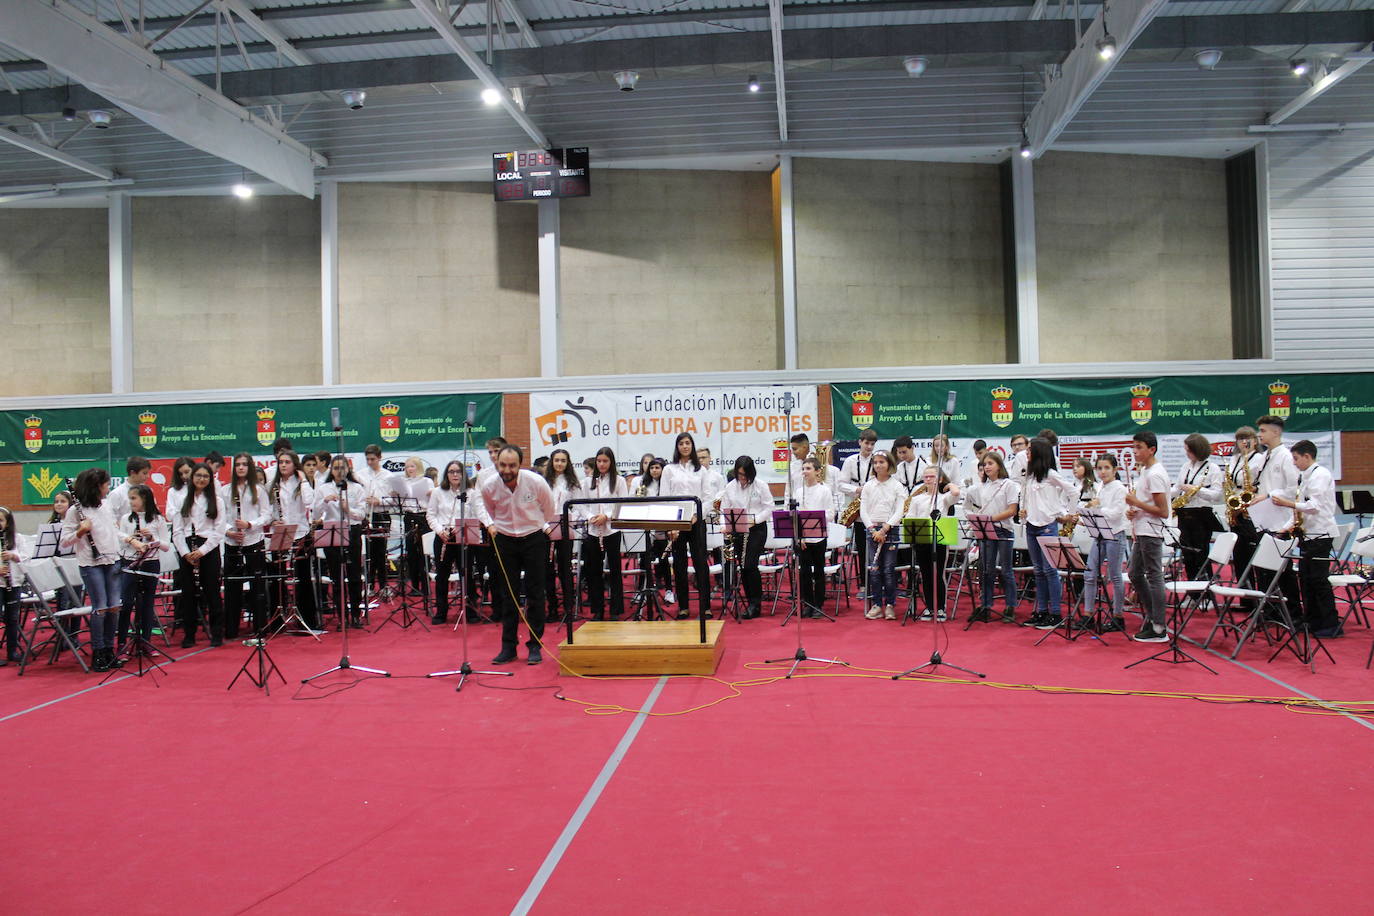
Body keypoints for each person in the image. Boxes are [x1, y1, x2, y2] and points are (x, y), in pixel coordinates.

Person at [481, 445, 556, 665]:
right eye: (502, 465)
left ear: (520, 465)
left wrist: (535, 525)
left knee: (535, 594)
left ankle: (535, 645)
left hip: (533, 538)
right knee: (508, 595)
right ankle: (508, 647)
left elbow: (549, 509)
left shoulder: (536, 482)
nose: (507, 469)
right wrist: (498, 528)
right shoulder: (489, 486)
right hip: (504, 539)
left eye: (512, 465)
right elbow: (490, 510)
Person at [1271, 440, 1341, 637]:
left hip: (1321, 534)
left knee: (1319, 580)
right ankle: (1312, 620)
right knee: (1306, 580)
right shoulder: (1305, 476)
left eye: (1296, 459)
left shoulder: (1320, 475)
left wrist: (1287, 503)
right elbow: (1301, 510)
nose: (1294, 463)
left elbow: (1314, 506)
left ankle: (1330, 623)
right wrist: (1284, 529)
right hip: (1307, 534)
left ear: (1307, 456)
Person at [61, 468, 123, 671]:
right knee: (101, 608)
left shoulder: (105, 505)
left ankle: (109, 650)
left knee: (114, 606)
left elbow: (114, 531)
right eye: (105, 485)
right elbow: (64, 542)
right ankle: (98, 652)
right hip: (91, 563)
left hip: (111, 559)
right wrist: (80, 531)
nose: (107, 488)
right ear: (96, 486)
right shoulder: (74, 511)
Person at [1248, 414, 1303, 616]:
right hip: (1264, 518)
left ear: (1276, 432)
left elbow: (1292, 488)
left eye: (1263, 431)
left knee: (1283, 571)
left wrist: (1269, 494)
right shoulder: (1264, 456)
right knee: (1264, 569)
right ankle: (1270, 610)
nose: (1259, 434)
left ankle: (1293, 612)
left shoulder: (1286, 457)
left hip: (1280, 519)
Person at [1019, 437, 1077, 630]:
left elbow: (1073, 492)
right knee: (1038, 571)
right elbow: (1028, 498)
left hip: (1047, 525)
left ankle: (1055, 613)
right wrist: (1024, 510)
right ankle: (1041, 610)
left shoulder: (1051, 474)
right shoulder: (1030, 475)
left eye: (1029, 450)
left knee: (1050, 570)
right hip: (1031, 525)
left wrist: (1069, 512)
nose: (1026, 453)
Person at [427, 460, 489, 625]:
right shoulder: (437, 492)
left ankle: (470, 611)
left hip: (464, 537)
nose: (455, 474)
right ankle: (441, 612)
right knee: (442, 576)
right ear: (446, 474)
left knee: (467, 575)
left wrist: (489, 525)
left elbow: (479, 513)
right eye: (451, 471)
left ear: (463, 474)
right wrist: (440, 531)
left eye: (458, 471)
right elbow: (431, 515)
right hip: (444, 538)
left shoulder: (471, 492)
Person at [172, 463, 227, 648]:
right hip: (188, 549)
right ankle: (189, 635)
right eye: (198, 475)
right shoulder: (182, 500)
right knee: (188, 594)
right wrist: (185, 553)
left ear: (210, 480)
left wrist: (202, 551)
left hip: (208, 549)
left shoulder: (217, 501)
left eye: (206, 476)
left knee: (212, 592)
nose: (202, 479)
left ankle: (217, 634)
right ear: (192, 477)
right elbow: (177, 531)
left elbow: (218, 531)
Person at [1125, 431, 1171, 642]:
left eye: (1139, 447)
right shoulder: (1145, 471)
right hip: (1143, 528)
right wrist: (1134, 510)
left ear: (1151, 449)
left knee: (1154, 576)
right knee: (1135, 573)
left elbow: (1163, 511)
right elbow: (1147, 505)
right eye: (1134, 447)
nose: (1135, 451)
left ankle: (1159, 626)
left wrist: (1137, 504)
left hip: (1153, 530)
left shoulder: (1155, 474)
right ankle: (1153, 617)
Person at [268, 450, 320, 631]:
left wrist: (303, 479)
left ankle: (306, 620)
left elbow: (310, 502)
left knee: (303, 576)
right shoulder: (274, 484)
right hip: (281, 531)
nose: (283, 465)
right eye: (281, 462)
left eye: (287, 462)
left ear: (294, 464)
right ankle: (277, 620)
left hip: (301, 531)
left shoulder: (302, 483)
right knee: (277, 575)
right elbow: (270, 510)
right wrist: (274, 520)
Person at [662, 432, 712, 619]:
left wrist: (696, 515)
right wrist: (671, 525)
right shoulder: (669, 469)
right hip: (676, 522)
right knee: (680, 564)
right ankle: (683, 606)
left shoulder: (701, 470)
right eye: (681, 443)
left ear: (692, 446)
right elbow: (665, 498)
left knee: (701, 564)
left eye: (688, 443)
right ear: (677, 447)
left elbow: (707, 498)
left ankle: (705, 606)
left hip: (696, 521)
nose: (685, 446)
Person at [718, 455, 774, 619]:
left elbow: (769, 507)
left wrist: (755, 519)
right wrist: (724, 525)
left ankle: (755, 604)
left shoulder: (760, 485)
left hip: (757, 529)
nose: (742, 478)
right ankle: (750, 601)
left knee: (750, 564)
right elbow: (724, 509)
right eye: (739, 474)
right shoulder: (730, 487)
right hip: (738, 528)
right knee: (742, 566)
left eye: (744, 475)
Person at [313, 455, 366, 625]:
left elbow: (362, 514)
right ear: (331, 470)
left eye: (342, 468)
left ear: (348, 469)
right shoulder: (323, 488)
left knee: (354, 575)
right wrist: (324, 501)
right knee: (337, 577)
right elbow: (315, 514)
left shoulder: (357, 488)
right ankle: (342, 616)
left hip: (352, 531)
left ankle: (356, 614)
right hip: (333, 532)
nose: (339, 471)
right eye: (335, 468)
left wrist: (347, 509)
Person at [115, 484, 169, 653]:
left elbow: (166, 545)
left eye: (134, 498)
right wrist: (130, 539)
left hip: (151, 563)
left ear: (144, 498)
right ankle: (122, 644)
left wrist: (152, 538)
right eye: (129, 498)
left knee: (146, 604)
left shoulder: (158, 519)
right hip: (130, 562)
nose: (131, 501)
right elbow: (118, 539)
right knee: (127, 603)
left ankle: (145, 642)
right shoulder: (126, 519)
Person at [223, 452, 271, 639]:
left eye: (244, 464)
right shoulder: (226, 490)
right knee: (232, 587)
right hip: (232, 541)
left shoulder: (258, 489)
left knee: (257, 586)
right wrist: (229, 530)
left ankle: (260, 627)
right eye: (238, 465)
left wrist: (250, 525)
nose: (241, 467)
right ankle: (231, 629)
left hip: (253, 540)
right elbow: (220, 517)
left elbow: (266, 515)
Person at [966, 451, 1018, 624]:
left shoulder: (1009, 484)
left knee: (1006, 570)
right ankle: (986, 605)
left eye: (990, 463)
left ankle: (1011, 606)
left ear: (999, 465)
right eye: (984, 465)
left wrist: (991, 519)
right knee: (986, 570)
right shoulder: (983, 486)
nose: (986, 467)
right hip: (987, 530)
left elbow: (1012, 510)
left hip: (1004, 530)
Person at [1078, 454, 1128, 633]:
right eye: (1099, 468)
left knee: (1115, 575)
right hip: (1100, 535)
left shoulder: (1120, 488)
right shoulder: (1100, 487)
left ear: (1115, 470)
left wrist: (1098, 508)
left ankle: (1118, 616)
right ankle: (1088, 614)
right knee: (1090, 573)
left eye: (1107, 468)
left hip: (1115, 534)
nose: (1103, 471)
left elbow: (1115, 513)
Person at [905, 466, 960, 621]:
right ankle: (930, 607)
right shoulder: (917, 499)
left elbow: (956, 493)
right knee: (926, 574)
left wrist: (947, 486)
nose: (928, 479)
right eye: (926, 477)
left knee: (938, 574)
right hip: (922, 539)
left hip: (939, 540)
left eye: (932, 476)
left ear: (940, 479)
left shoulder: (944, 498)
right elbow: (910, 518)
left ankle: (941, 608)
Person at [582, 447, 628, 621]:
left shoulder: (619, 481)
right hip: (593, 531)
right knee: (594, 571)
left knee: (615, 570)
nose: (601, 464)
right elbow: (581, 505)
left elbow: (623, 504)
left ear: (611, 462)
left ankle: (616, 610)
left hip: (612, 530)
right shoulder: (587, 482)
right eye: (599, 461)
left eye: (605, 461)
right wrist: (590, 517)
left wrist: (606, 516)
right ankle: (598, 609)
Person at [1172, 434, 1222, 583]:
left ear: (1198, 449)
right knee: (1188, 555)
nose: (1187, 454)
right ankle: (1192, 592)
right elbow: (1177, 487)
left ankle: (1204, 591)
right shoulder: (1185, 467)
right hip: (1185, 513)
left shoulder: (1212, 468)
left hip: (1202, 515)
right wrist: (1166, 495)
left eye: (1189, 450)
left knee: (1201, 554)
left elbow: (1217, 495)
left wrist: (1195, 490)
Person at [860, 450, 904, 620]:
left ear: (889, 465)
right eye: (875, 462)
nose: (878, 465)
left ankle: (890, 604)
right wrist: (872, 529)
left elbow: (899, 510)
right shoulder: (869, 486)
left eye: (882, 462)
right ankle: (877, 604)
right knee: (874, 570)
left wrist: (885, 528)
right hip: (871, 530)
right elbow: (863, 510)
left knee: (888, 570)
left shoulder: (896, 486)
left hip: (890, 530)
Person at [542, 448, 582, 624]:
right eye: (557, 460)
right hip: (545, 530)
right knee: (547, 572)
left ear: (568, 463)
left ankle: (568, 608)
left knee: (565, 570)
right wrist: (544, 526)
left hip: (565, 529)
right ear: (552, 462)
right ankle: (552, 609)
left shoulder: (572, 482)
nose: (559, 463)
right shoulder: (543, 481)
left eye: (563, 460)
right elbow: (537, 506)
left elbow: (579, 506)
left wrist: (574, 520)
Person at [838, 428, 878, 597]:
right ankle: (864, 584)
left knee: (876, 549)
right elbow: (840, 484)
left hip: (875, 508)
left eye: (872, 444)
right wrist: (857, 489)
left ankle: (878, 583)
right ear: (860, 442)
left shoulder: (878, 460)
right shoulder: (850, 461)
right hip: (859, 508)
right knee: (862, 548)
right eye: (867, 443)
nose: (869, 447)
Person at [796, 457, 836, 618]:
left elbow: (831, 514)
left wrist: (814, 516)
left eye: (808, 468)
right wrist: (800, 536)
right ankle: (808, 603)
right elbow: (794, 516)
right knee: (804, 571)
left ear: (817, 471)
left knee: (819, 571)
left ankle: (818, 604)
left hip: (819, 537)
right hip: (803, 538)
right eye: (803, 468)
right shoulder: (799, 491)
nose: (805, 471)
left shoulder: (824, 490)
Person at [356, 444, 393, 593]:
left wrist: (379, 501)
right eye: (368, 459)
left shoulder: (388, 476)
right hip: (366, 516)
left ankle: (384, 585)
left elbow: (393, 500)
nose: (370, 462)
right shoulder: (360, 475)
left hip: (382, 514)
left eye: (373, 459)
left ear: (380, 457)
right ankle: (369, 584)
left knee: (381, 552)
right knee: (369, 552)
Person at [0, 507, 24, 665]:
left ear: (8, 523)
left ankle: (12, 651)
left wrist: (13, 556)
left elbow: (26, 558)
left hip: (14, 583)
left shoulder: (18, 538)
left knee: (13, 618)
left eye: (1, 520)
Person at [107, 455, 151, 520]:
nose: (148, 476)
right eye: (144, 473)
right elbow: (110, 518)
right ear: (132, 473)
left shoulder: (147, 491)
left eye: (148, 473)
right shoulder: (117, 494)